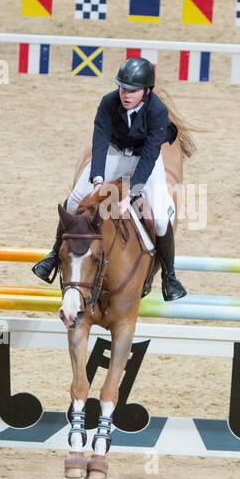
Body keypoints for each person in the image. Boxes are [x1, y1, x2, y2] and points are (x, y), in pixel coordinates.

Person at [32, 56, 187, 301]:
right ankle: (52, 256)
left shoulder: (157, 111)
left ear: (146, 91)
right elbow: (100, 142)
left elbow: (149, 154)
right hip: (114, 153)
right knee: (73, 203)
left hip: (144, 159)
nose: (125, 95)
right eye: (123, 88)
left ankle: (170, 275)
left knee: (159, 216)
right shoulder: (107, 103)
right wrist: (98, 181)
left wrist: (132, 192)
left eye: (133, 91)